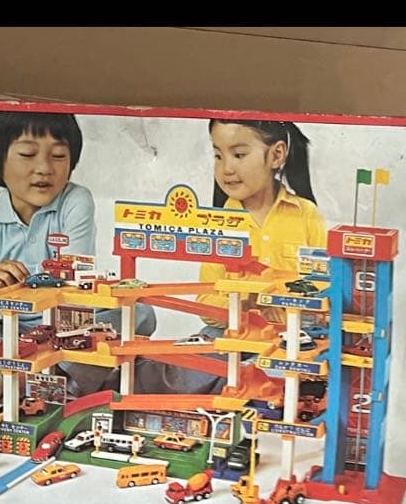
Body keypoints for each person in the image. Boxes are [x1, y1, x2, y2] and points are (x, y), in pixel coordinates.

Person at [0, 110, 155, 415]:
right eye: (28, 154)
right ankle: (44, 375)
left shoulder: (76, 201)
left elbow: (75, 287)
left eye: (58, 156)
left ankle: (8, 378)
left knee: (140, 314)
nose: (44, 168)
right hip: (12, 332)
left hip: (68, 328)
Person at [136, 119, 327, 395]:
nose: (226, 168)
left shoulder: (306, 215)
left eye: (239, 155)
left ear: (276, 155)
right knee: (189, 368)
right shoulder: (219, 222)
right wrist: (240, 303)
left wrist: (280, 298)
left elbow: (321, 288)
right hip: (231, 335)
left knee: (284, 376)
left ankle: (246, 380)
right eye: (218, 155)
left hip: (289, 336)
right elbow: (205, 301)